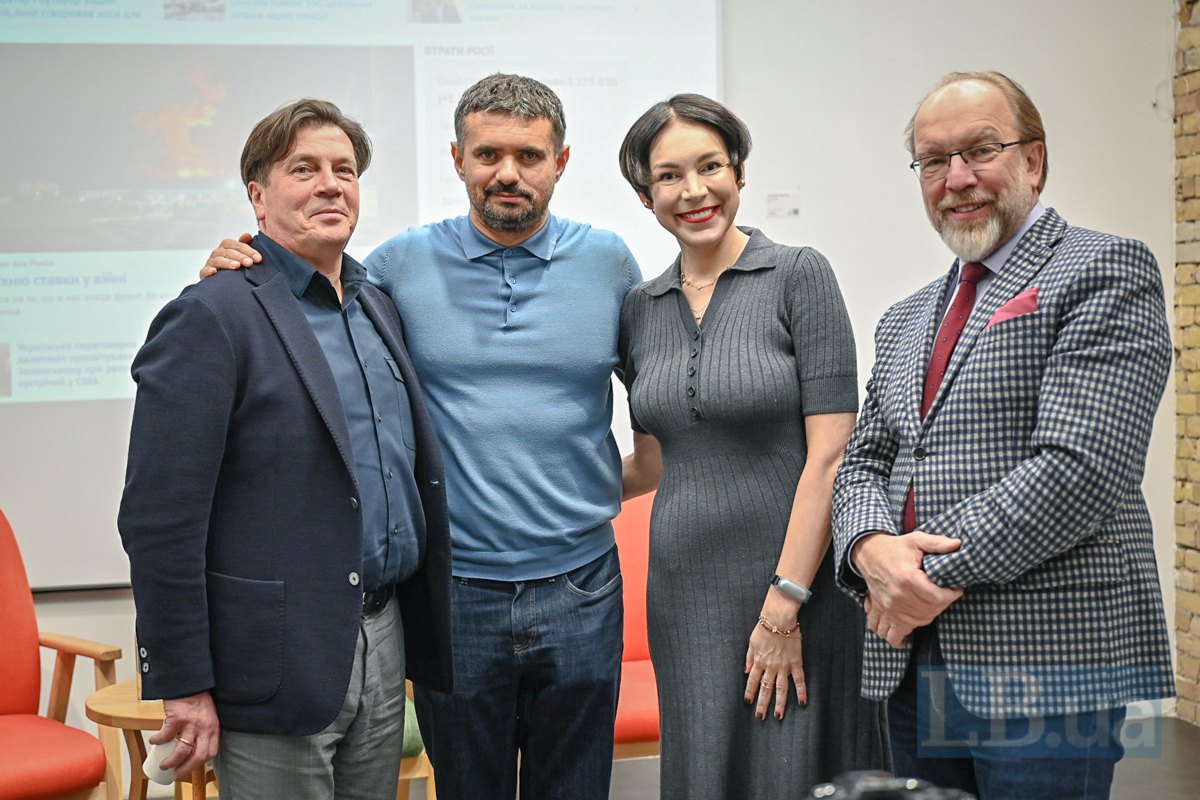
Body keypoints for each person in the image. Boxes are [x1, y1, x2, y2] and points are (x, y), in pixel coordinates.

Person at [202, 74, 642, 800]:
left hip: (582, 586)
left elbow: (660, 401)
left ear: (561, 162)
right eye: (488, 154)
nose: (508, 173)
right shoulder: (396, 267)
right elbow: (303, 304)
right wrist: (236, 267)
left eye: (530, 156)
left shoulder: (610, 263)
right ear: (457, 158)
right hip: (452, 593)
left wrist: (589, 484)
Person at [831, 71, 1174, 799]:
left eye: (981, 151)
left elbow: (1081, 469)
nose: (956, 178)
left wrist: (917, 578)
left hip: (1047, 660)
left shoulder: (1105, 269)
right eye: (933, 160)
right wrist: (869, 548)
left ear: (1034, 160)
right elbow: (864, 461)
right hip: (914, 656)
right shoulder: (904, 317)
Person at [117, 98, 453, 798]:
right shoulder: (212, 314)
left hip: (384, 636)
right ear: (258, 196)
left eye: (344, 170)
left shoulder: (375, 305)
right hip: (273, 657)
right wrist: (183, 681)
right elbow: (160, 518)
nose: (331, 185)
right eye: (304, 169)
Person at [617, 94, 888, 799]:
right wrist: (530, 490)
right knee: (705, 774)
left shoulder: (799, 275)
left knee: (791, 773)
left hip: (796, 586)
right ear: (646, 196)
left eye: (710, 166)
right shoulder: (640, 308)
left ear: (739, 172)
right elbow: (653, 463)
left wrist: (784, 604)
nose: (694, 190)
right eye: (669, 175)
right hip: (683, 595)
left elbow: (832, 455)